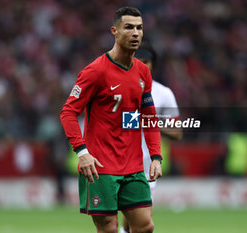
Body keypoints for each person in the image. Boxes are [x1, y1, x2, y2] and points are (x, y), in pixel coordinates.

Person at [60, 7, 162, 233]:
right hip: (100, 167)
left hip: (133, 166)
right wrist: (82, 152)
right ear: (114, 31)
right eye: (129, 27)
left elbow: (148, 117)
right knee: (109, 228)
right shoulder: (95, 71)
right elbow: (68, 112)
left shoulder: (143, 73)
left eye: (139, 28)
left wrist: (155, 156)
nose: (135, 33)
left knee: (145, 226)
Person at [120, 42, 182, 233]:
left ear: (153, 65)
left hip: (147, 164)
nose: (142, 65)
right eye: (138, 60)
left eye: (146, 61)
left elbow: (177, 132)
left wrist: (153, 122)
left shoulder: (163, 93)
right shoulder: (119, 88)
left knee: (139, 220)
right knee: (126, 218)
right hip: (119, 157)